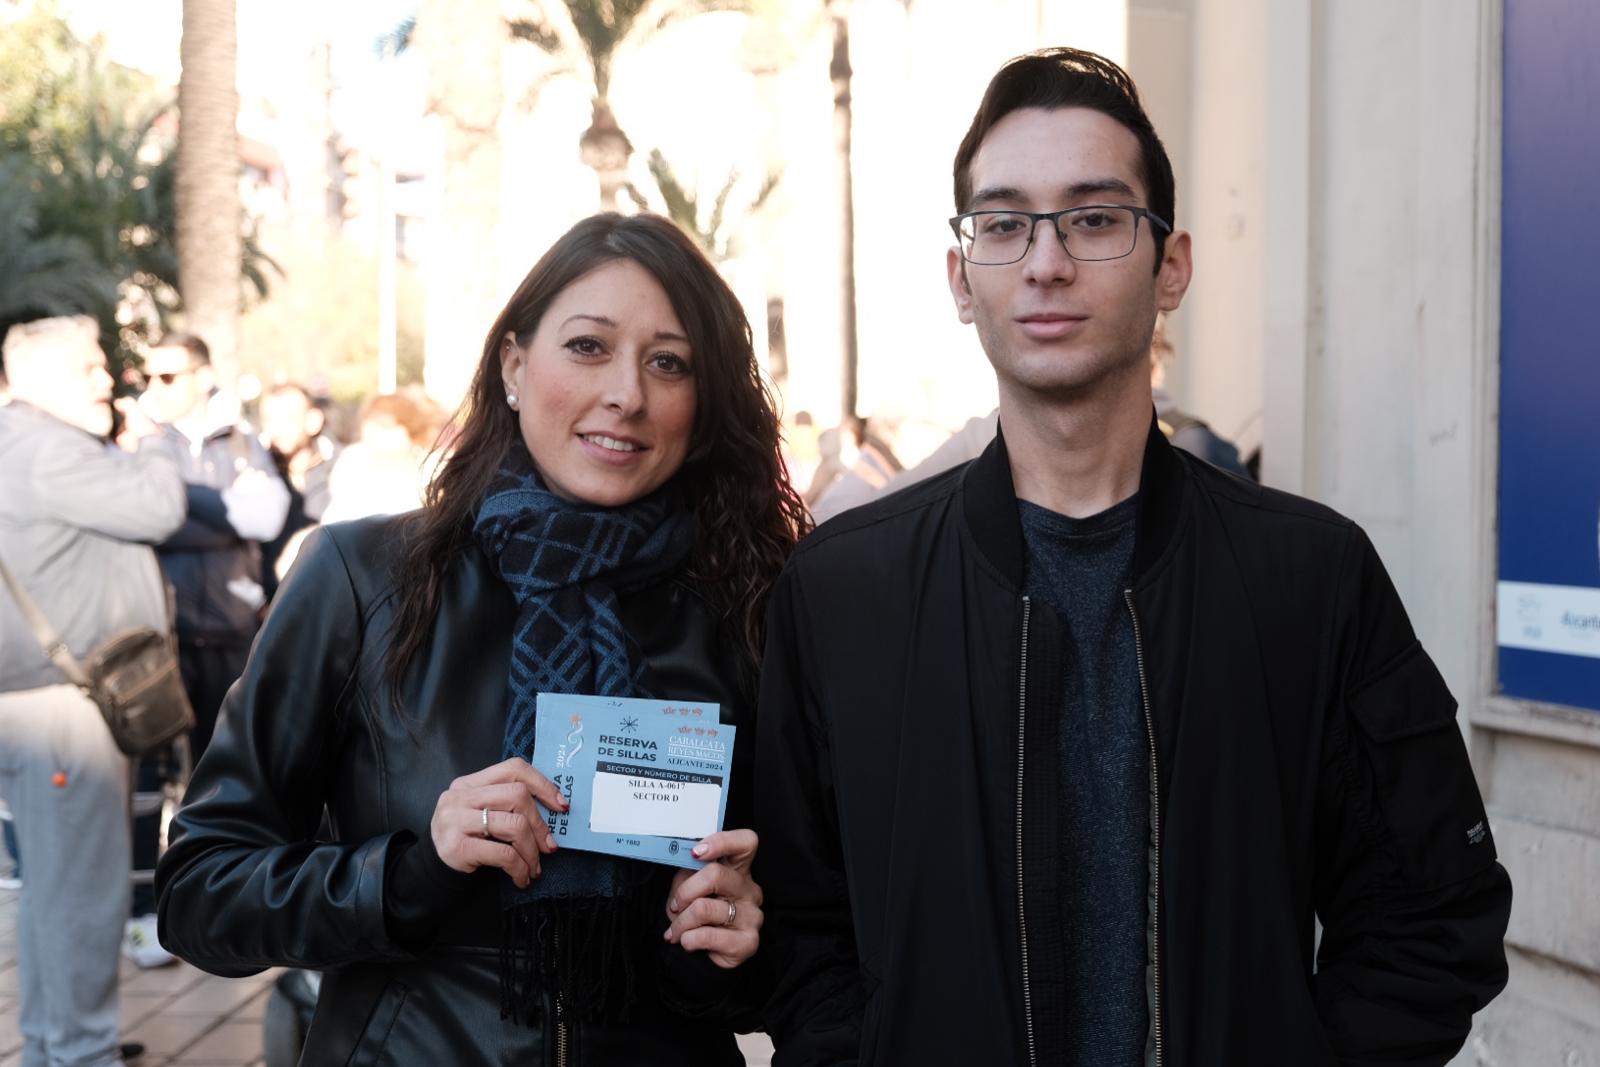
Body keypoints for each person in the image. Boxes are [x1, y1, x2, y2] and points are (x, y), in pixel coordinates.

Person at [754, 48, 1510, 1067]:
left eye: (1095, 219)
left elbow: (1432, 914)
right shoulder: (845, 594)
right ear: (962, 279)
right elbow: (797, 930)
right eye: (1004, 224)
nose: (1045, 262)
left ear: (1173, 267)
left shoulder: (1310, 579)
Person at [155, 212, 810, 1065]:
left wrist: (727, 942)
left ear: (703, 399)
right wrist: (408, 873)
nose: (627, 393)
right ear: (513, 365)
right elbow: (199, 891)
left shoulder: (747, 604)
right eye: (588, 346)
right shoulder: (364, 577)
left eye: (669, 362)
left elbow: (811, 949)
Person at [0, 314, 186, 1067]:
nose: (107, 379)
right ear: (43, 378)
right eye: (89, 367)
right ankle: (80, 1053)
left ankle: (56, 1046)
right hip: (64, 714)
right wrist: (156, 440)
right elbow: (160, 508)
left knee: (53, 889)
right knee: (80, 894)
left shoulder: (25, 441)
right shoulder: (49, 448)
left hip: (46, 706)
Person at [257, 381, 338, 601]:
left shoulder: (343, 469)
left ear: (313, 420)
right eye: (269, 419)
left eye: (287, 418)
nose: (276, 429)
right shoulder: (255, 472)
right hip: (269, 604)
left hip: (329, 599)